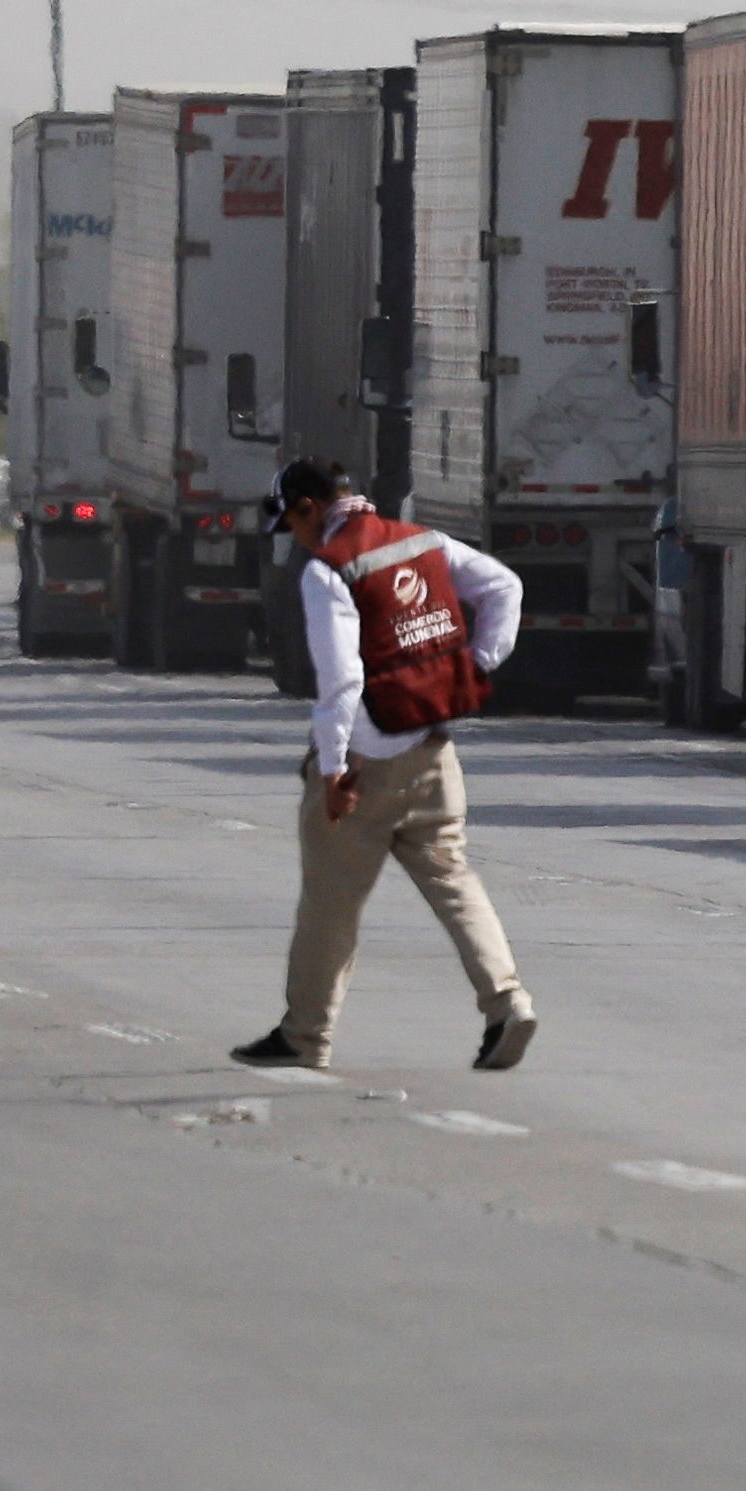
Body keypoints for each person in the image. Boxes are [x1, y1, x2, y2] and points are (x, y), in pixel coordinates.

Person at [231, 456, 543, 1073]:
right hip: (432, 746)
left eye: (290, 526)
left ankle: (305, 1037)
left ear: (307, 509)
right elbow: (504, 586)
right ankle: (508, 1003)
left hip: (368, 758)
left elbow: (343, 679)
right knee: (454, 882)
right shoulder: (422, 541)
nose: (292, 540)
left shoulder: (329, 569)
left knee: (330, 905)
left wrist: (333, 768)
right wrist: (475, 665)